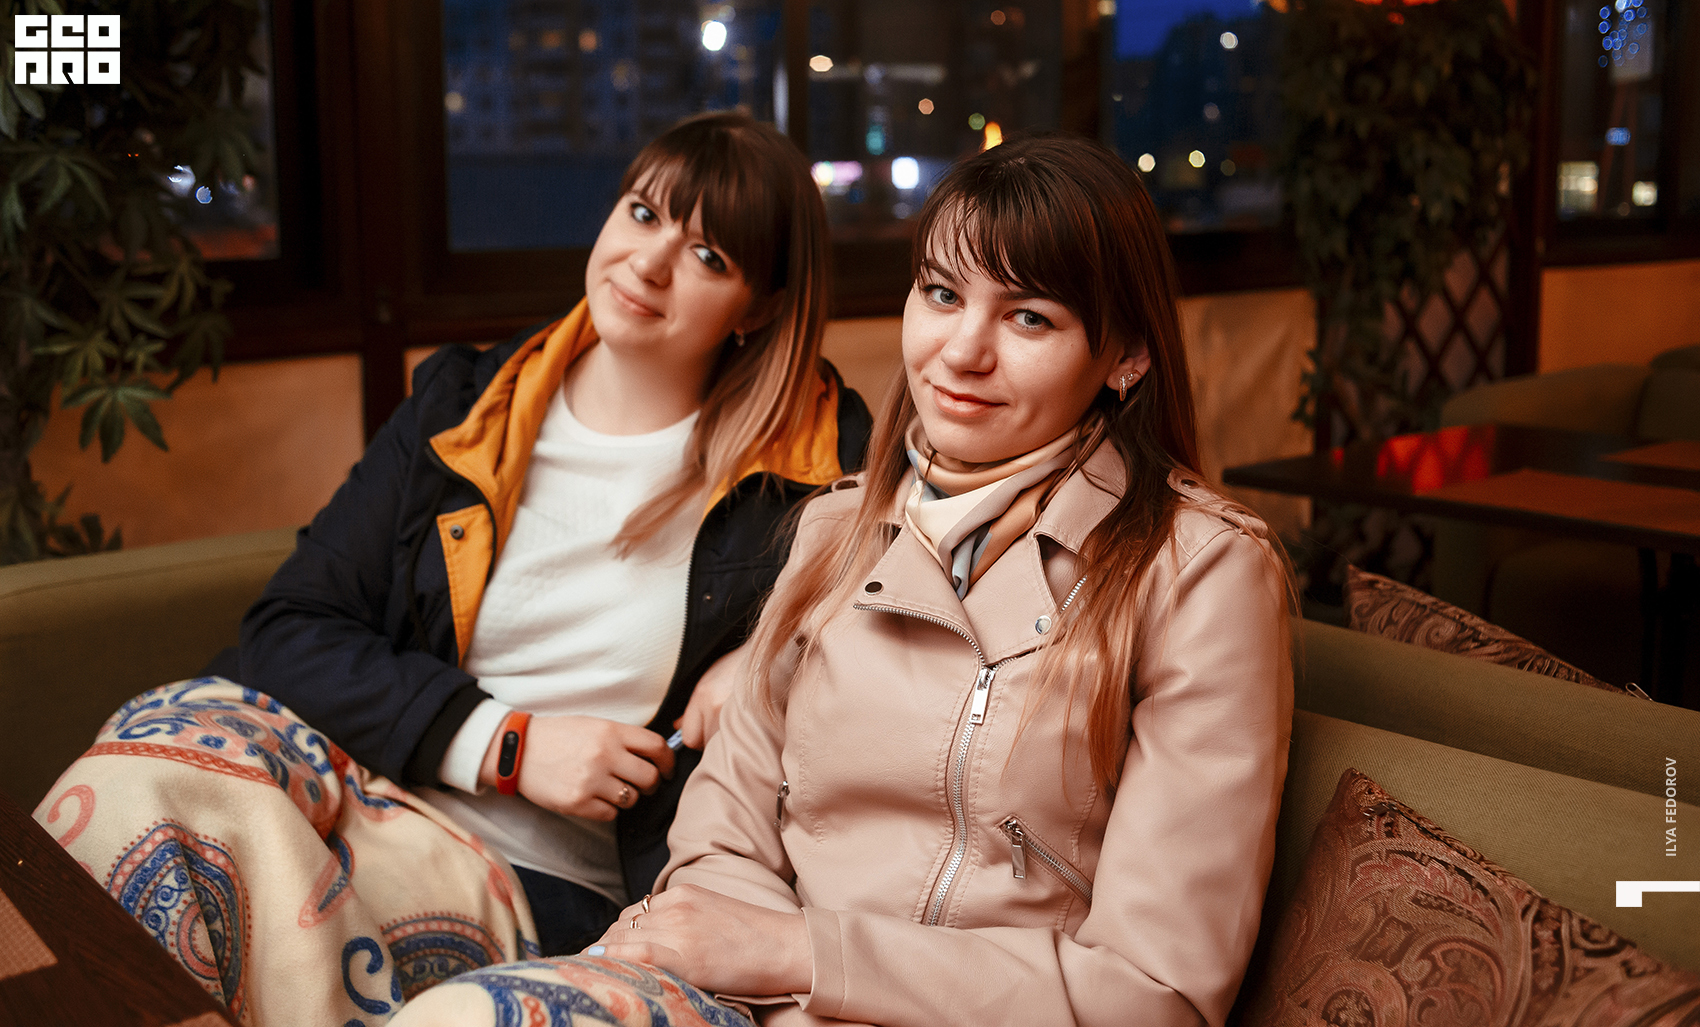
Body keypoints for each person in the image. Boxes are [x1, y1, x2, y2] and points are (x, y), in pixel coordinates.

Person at [391, 132, 1294, 1027]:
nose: (962, 350)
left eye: (1029, 318)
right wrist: (773, 984)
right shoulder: (836, 527)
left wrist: (805, 955)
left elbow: (1155, 992)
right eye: (942, 294)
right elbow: (719, 837)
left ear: (1127, 353)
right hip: (742, 1003)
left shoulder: (1201, 573)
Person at [34, 111, 872, 1026]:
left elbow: (905, 593)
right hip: (362, 781)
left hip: (537, 882)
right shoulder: (466, 402)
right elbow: (289, 626)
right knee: (137, 781)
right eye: (642, 213)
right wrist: (506, 742)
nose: (649, 262)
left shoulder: (814, 460)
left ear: (759, 308)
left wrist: (764, 656)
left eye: (709, 256)